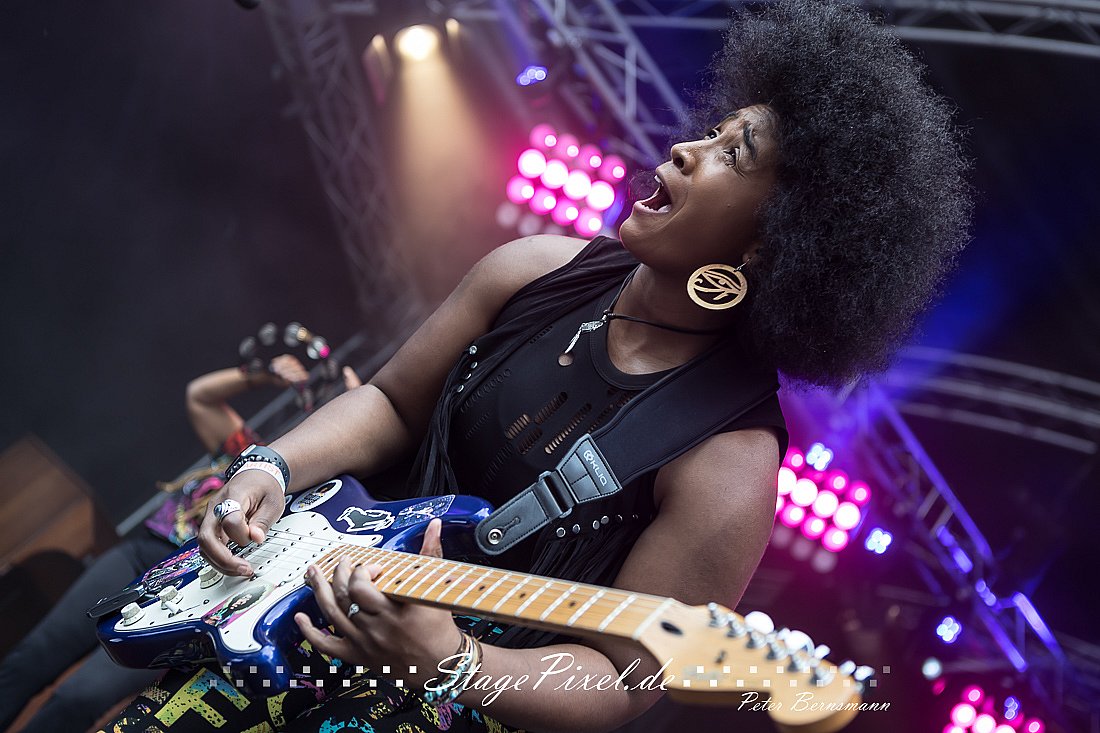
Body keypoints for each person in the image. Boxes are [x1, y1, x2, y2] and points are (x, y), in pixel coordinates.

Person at [99, 1, 971, 731]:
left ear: (769, 247)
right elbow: (394, 403)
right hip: (282, 619)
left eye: (732, 154)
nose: (686, 149)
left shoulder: (731, 465)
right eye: (713, 130)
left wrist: (455, 660)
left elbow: (621, 680)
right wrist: (270, 465)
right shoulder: (535, 268)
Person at [0, 354, 360, 733]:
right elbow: (199, 396)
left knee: (80, 697)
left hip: (193, 596)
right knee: (31, 657)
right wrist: (262, 373)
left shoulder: (320, 499)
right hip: (144, 556)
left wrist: (358, 409)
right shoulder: (253, 456)